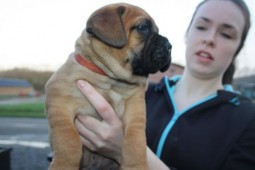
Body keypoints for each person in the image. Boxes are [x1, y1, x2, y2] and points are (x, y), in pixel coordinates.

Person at [74, 0, 255, 169]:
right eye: (201, 27)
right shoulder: (142, 93)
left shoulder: (248, 119)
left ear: (238, 48)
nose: (210, 38)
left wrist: (126, 149)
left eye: (226, 34)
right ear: (188, 33)